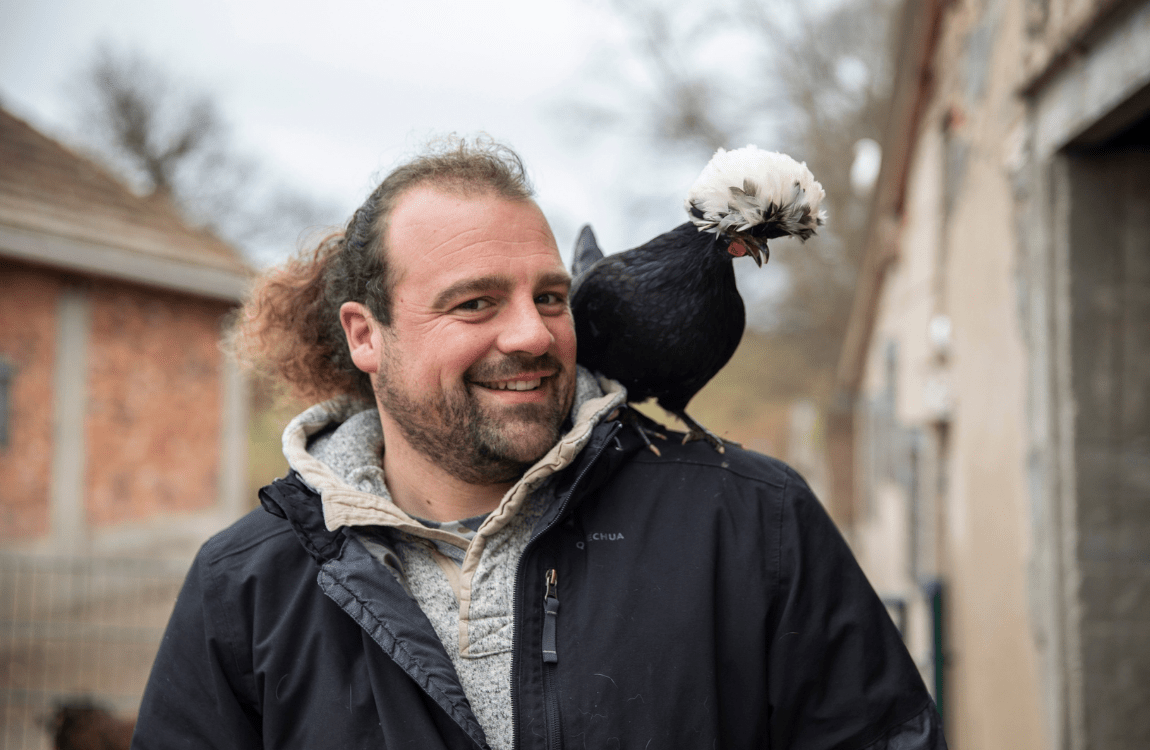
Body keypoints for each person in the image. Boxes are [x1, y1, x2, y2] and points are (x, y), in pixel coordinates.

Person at [132, 137, 946, 750]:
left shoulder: (755, 523)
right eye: (476, 303)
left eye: (551, 296)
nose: (533, 334)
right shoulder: (243, 587)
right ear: (366, 336)